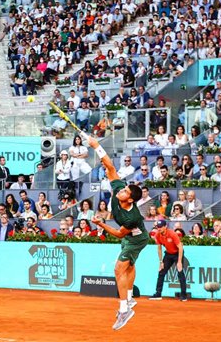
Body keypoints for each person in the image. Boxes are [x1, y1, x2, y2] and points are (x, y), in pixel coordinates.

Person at [85, 133, 148, 330]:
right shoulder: (120, 188)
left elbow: (120, 234)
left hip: (135, 239)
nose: (121, 191)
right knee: (128, 267)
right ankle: (129, 299)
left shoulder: (132, 217)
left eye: (125, 192)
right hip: (132, 237)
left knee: (118, 269)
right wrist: (96, 146)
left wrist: (101, 224)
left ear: (130, 200)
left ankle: (124, 310)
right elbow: (110, 166)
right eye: (123, 190)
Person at [149, 220, 187, 301]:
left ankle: (183, 295)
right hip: (168, 254)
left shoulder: (172, 234)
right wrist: (160, 262)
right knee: (161, 271)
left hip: (177, 253)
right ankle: (158, 294)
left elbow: (180, 247)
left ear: (165, 226)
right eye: (157, 227)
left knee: (180, 272)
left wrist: (179, 261)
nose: (159, 228)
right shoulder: (157, 235)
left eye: (160, 227)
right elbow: (159, 248)